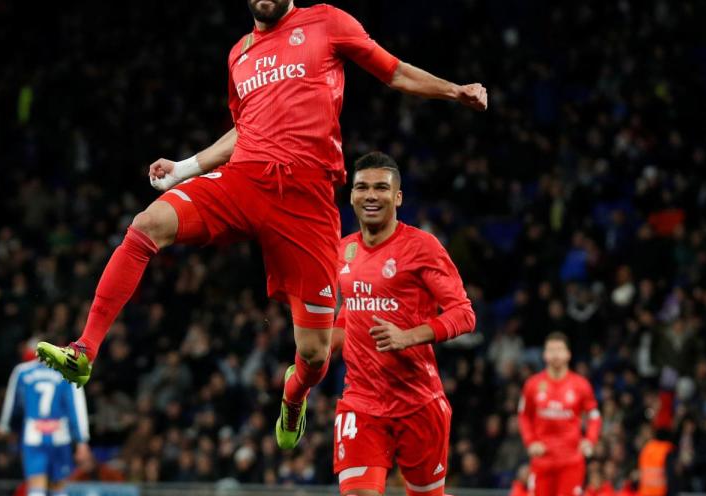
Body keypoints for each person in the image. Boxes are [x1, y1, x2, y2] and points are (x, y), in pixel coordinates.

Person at [34, 0, 488, 452]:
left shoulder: (327, 22)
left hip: (307, 203)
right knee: (147, 224)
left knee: (314, 353)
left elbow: (393, 71)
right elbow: (243, 129)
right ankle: (85, 350)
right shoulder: (239, 54)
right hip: (245, 180)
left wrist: (454, 91)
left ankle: (294, 397)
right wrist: (186, 166)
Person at [328, 152, 506, 496]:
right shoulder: (341, 251)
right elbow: (347, 314)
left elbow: (464, 314)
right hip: (361, 401)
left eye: (380, 188)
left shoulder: (421, 247)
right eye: (362, 187)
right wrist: (315, 351)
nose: (370, 195)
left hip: (418, 402)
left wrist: (410, 335)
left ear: (398, 196)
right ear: (351, 196)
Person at [519, 332, 601, 496]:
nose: (555, 355)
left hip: (571, 459)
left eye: (559, 350)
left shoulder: (580, 385)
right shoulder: (534, 385)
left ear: (568, 354)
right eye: (550, 350)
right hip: (542, 459)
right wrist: (530, 441)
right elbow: (524, 416)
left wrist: (590, 441)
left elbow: (594, 417)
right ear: (544, 354)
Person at [0, 348, 91, 496]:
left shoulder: (22, 372)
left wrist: (4, 427)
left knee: (36, 487)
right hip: (60, 435)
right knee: (59, 488)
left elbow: (12, 402)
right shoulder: (67, 371)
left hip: (33, 435)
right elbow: (77, 406)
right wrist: (82, 439)